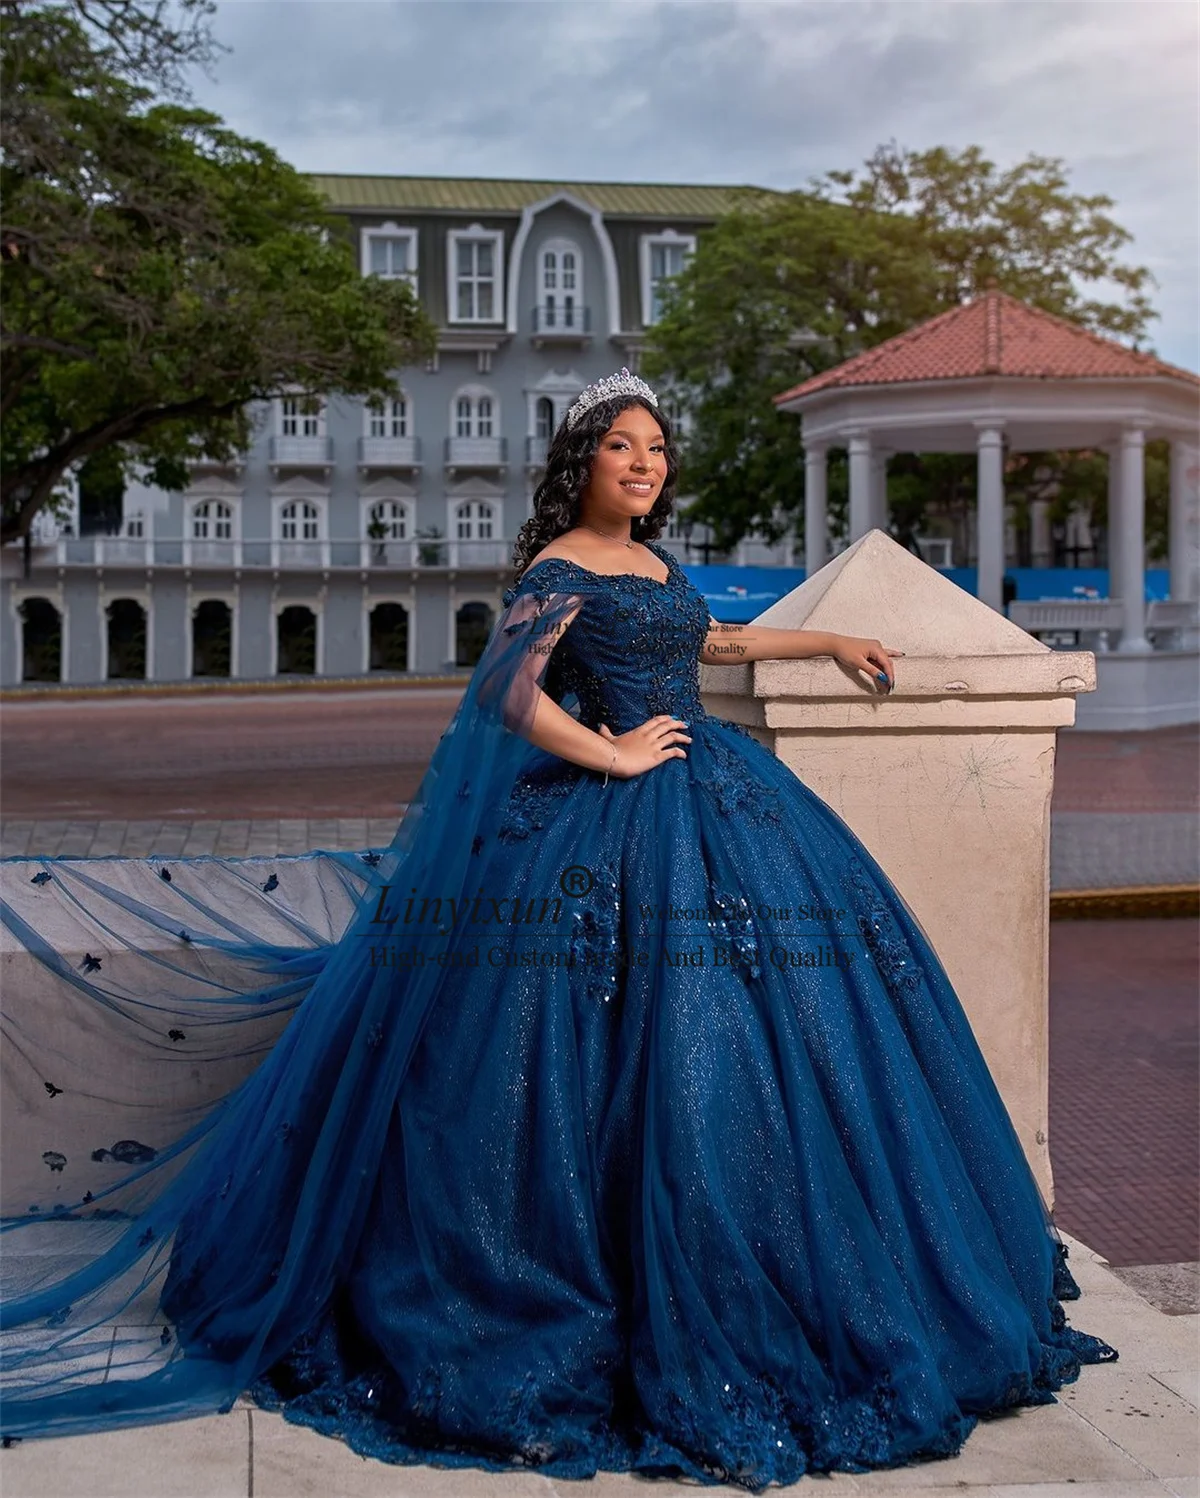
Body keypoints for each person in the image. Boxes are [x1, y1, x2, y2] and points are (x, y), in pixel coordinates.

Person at [0, 369, 1116, 1490]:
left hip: (719, 803)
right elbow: (508, 692)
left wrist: (823, 642)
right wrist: (619, 751)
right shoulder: (559, 566)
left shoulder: (649, 561)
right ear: (581, 461)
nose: (645, 465)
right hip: (611, 813)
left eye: (658, 450)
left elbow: (706, 643)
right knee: (582, 1057)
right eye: (623, 448)